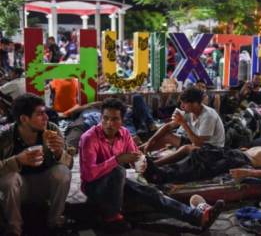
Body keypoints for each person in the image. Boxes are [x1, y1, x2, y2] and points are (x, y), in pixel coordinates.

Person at [79, 98, 224, 233]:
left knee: (152, 193)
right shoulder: (89, 139)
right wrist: (117, 160)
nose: (109, 123)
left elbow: (135, 155)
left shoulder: (124, 134)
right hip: (94, 187)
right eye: (105, 118)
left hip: (116, 183)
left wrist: (140, 163)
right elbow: (88, 175)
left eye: (115, 119)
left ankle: (199, 217)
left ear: (122, 120)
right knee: (118, 171)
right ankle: (112, 219)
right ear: (100, 118)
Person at [0, 93, 72, 236]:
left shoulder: (52, 129)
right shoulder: (5, 136)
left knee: (63, 172)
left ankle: (55, 221)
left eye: (45, 113)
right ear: (24, 119)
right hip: (19, 190)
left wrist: (59, 153)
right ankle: (14, 229)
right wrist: (17, 160)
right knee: (10, 179)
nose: (46, 117)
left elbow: (69, 164)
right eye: (40, 114)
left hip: (45, 186)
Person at [144, 143, 261, 184]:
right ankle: (160, 169)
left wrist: (246, 172)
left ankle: (161, 176)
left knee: (203, 166)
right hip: (235, 152)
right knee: (200, 153)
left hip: (241, 160)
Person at [142, 87, 225, 153]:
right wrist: (150, 141)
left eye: (184, 103)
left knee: (185, 149)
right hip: (197, 143)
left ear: (195, 103)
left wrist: (183, 123)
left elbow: (198, 144)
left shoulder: (208, 115)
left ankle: (155, 165)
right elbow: (168, 126)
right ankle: (137, 151)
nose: (182, 106)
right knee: (167, 136)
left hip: (212, 150)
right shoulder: (189, 112)